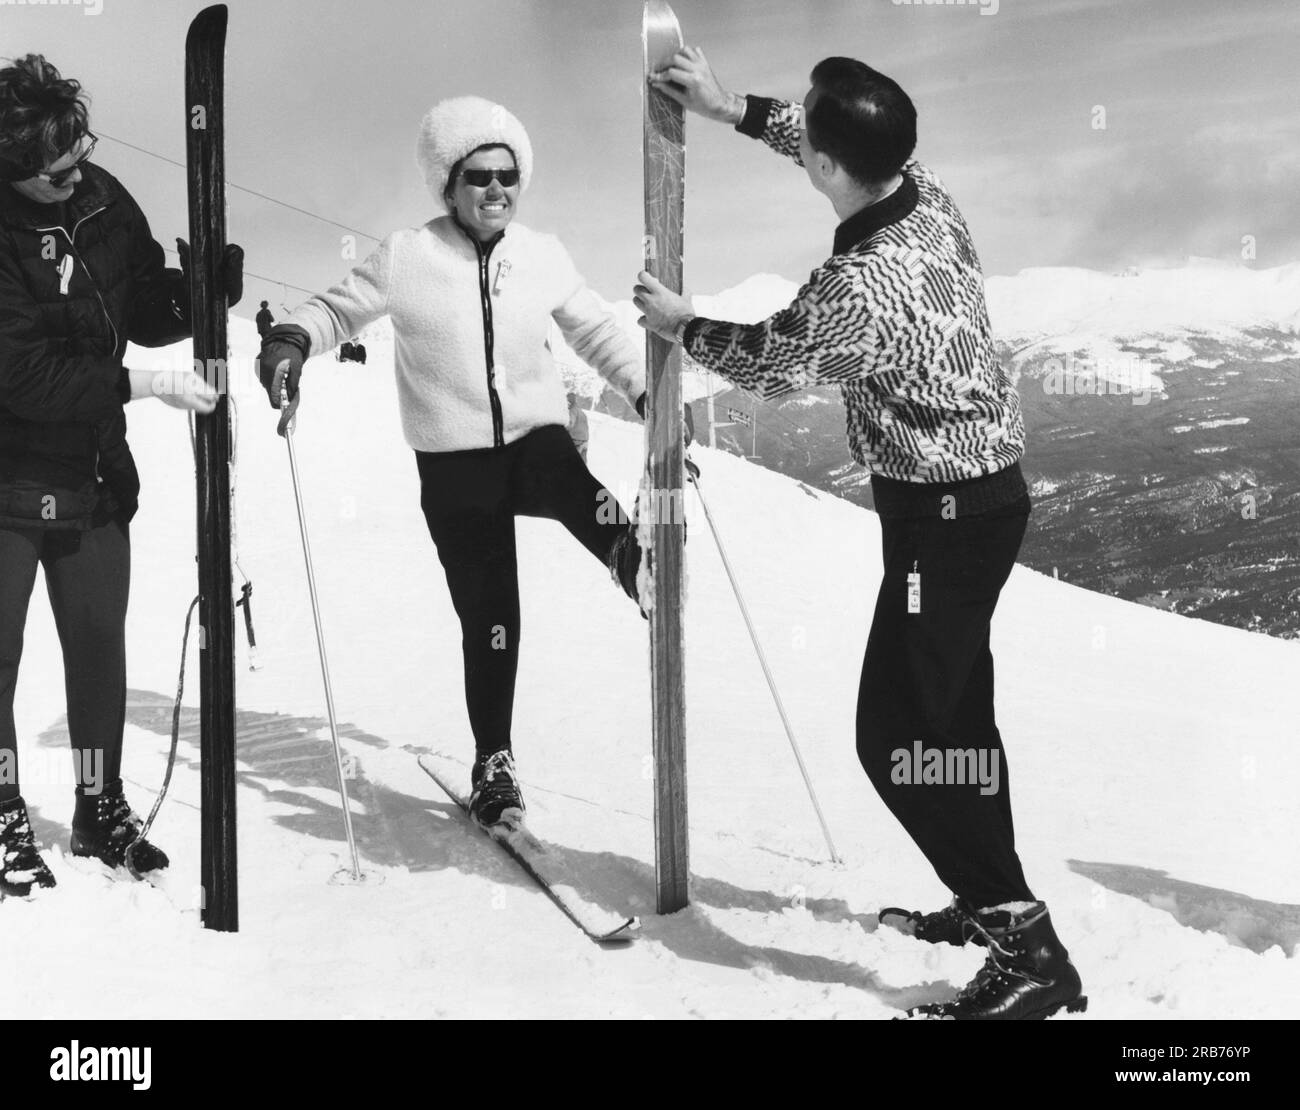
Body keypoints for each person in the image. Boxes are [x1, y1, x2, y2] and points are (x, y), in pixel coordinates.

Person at [634, 50, 1084, 1020]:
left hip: (943, 524)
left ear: (835, 168)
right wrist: (725, 109)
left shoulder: (863, 285)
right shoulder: (922, 198)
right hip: (979, 503)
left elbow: (772, 362)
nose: (802, 132)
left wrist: (681, 324)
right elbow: (823, 140)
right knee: (955, 725)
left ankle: (1028, 948)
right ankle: (988, 900)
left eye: (809, 129)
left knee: (897, 741)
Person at [258, 97, 660, 832]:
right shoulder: (409, 256)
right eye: (479, 177)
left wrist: (644, 388)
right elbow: (337, 311)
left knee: (572, 481)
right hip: (455, 466)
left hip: (531, 444)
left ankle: (635, 559)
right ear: (449, 183)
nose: (497, 190)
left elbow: (595, 329)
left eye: (509, 176)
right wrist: (290, 339)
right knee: (492, 617)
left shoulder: (542, 255)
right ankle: (494, 763)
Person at [0, 55, 241, 896]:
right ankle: (0, 809)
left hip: (94, 469)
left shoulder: (99, 195)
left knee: (97, 645)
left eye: (78, 154)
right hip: (7, 477)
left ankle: (99, 805)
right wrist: (139, 384)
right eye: (51, 172)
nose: (73, 177)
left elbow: (135, 298)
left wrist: (196, 295)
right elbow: (19, 374)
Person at [565, 390, 589, 462]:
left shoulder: (572, 410)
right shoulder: (581, 411)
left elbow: (570, 423)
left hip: (576, 441)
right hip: (585, 441)